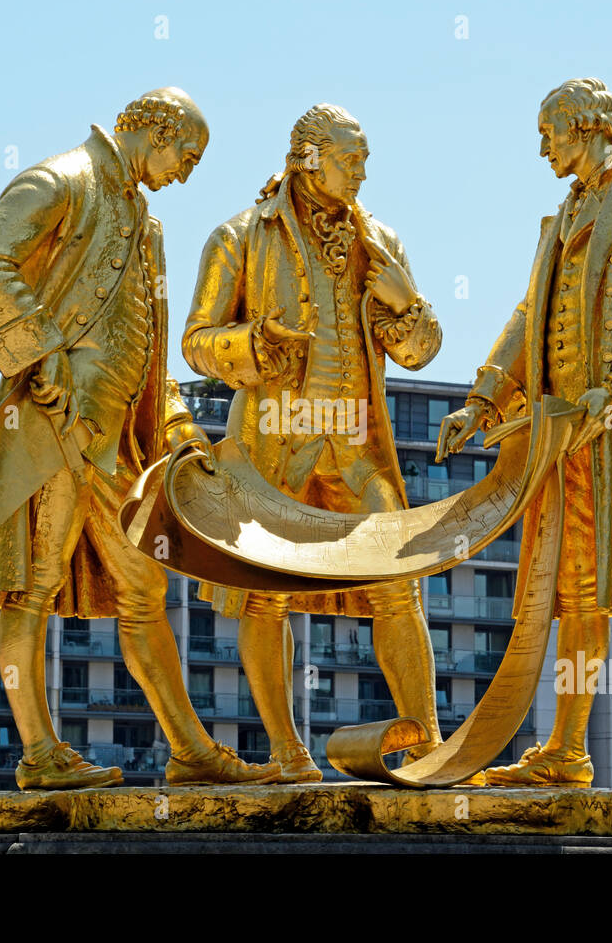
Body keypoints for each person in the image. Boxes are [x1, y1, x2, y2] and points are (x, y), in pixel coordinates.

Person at [0, 87, 278, 789]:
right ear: (154, 130)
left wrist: (178, 426)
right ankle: (40, 754)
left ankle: (190, 752)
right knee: (30, 592)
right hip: (50, 429)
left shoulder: (147, 226)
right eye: (185, 156)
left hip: (115, 447)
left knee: (144, 590)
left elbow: (147, 350)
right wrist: (41, 358)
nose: (185, 173)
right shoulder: (60, 180)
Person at [436, 78, 612, 792]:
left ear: (588, 127)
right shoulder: (563, 216)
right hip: (562, 439)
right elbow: (529, 314)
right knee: (573, 594)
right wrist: (482, 397)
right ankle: (566, 749)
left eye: (549, 133)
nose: (543, 149)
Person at [182, 104, 444, 783]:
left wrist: (407, 299)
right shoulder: (239, 236)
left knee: (398, 586)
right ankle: (287, 753)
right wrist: (251, 346)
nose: (362, 171)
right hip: (272, 444)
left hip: (356, 446)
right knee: (265, 594)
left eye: (363, 159)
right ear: (307, 156)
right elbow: (197, 341)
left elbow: (417, 352)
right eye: (350, 157)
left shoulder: (379, 241)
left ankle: (427, 749)